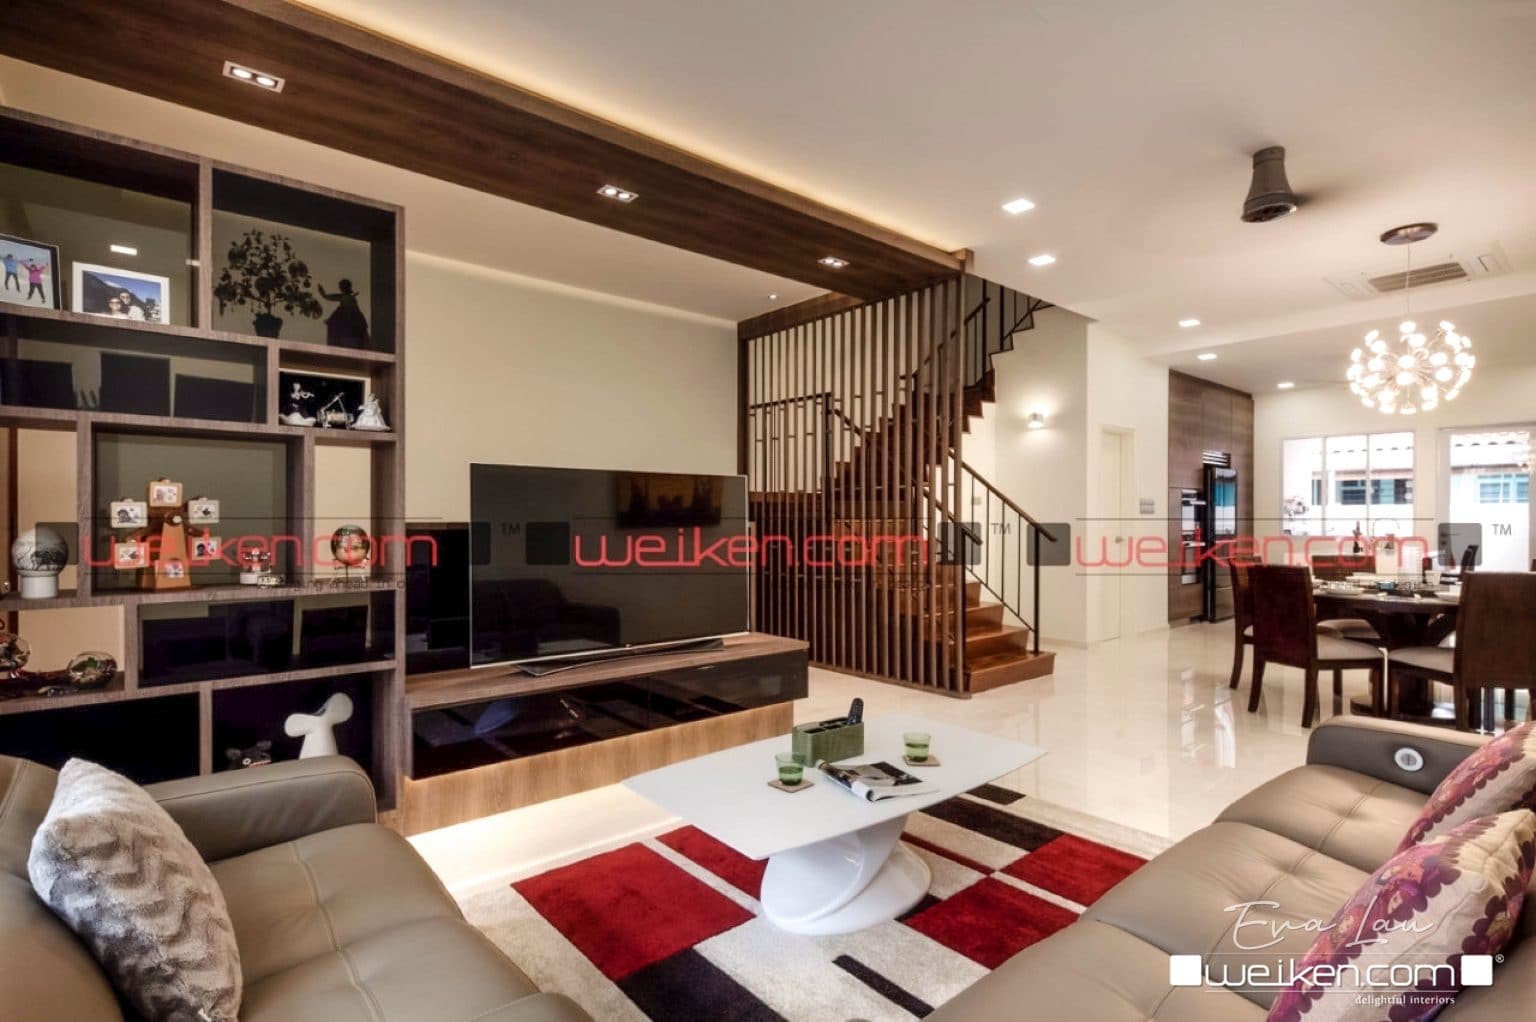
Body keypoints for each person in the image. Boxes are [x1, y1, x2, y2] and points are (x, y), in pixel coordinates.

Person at [317, 279, 370, 348]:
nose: (341, 288)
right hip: (351, 318)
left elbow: (328, 297)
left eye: (342, 286)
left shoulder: (346, 298)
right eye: (341, 286)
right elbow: (328, 297)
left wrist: (322, 293)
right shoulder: (347, 297)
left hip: (350, 318)